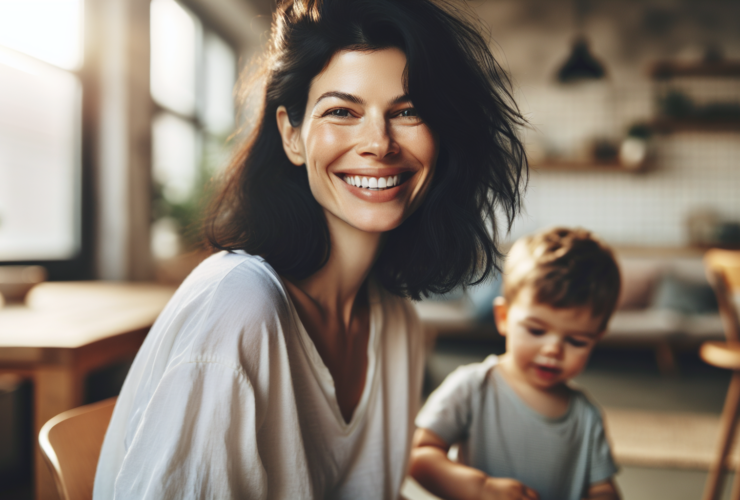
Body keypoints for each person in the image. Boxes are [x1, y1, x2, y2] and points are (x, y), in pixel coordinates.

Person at [94, 0, 527, 498]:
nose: (379, 143)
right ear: (292, 135)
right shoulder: (238, 307)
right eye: (342, 111)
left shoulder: (398, 323)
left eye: (407, 111)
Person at [410, 227, 622, 500]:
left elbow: (602, 488)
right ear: (503, 317)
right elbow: (420, 456)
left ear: (597, 339)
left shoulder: (586, 417)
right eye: (536, 331)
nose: (553, 350)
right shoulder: (472, 387)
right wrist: (481, 489)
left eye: (577, 341)